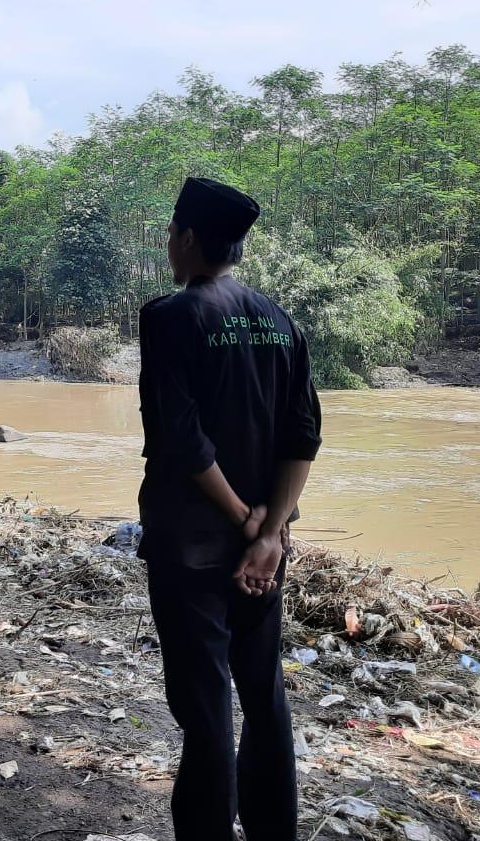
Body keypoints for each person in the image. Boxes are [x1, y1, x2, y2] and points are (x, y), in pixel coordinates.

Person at [137, 178, 322, 841]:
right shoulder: (280, 320)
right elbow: (304, 435)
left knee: (208, 703)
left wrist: (244, 516)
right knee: (263, 691)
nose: (168, 245)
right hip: (264, 553)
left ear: (188, 239)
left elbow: (182, 440)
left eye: (169, 235)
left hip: (191, 546)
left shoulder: (169, 317)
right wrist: (269, 531)